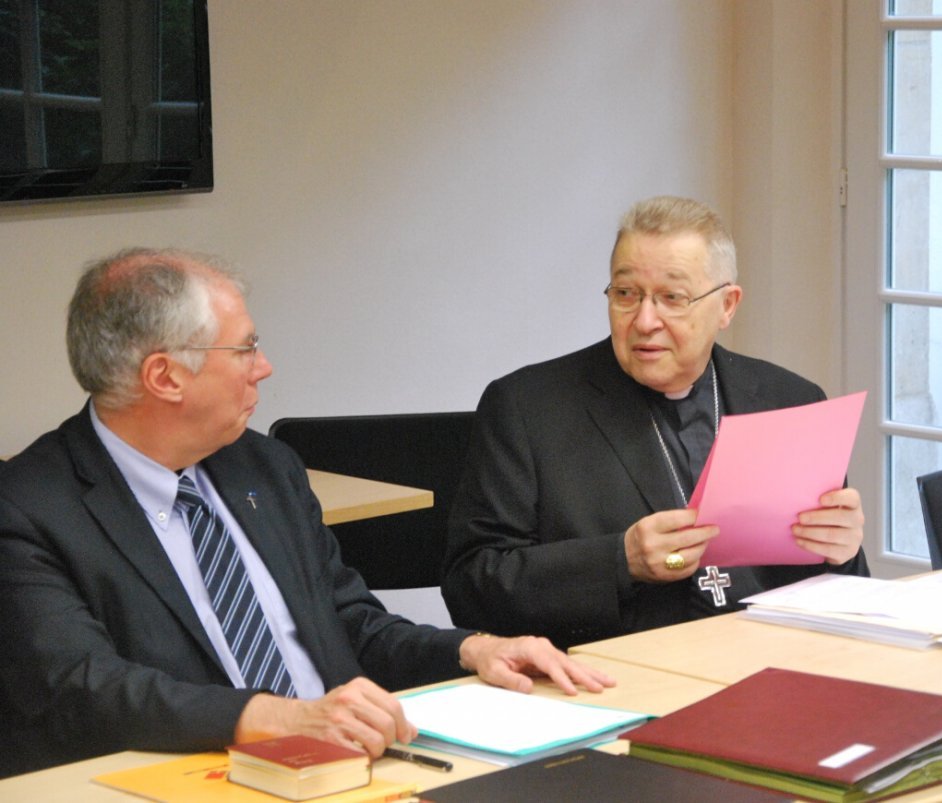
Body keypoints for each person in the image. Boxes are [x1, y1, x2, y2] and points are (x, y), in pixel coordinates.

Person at [0, 248, 613, 779]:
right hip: (194, 775)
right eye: (245, 348)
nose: (263, 367)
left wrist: (472, 650)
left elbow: (349, 626)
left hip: (356, 770)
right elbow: (83, 690)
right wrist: (281, 719)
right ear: (164, 377)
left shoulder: (264, 467)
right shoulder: (29, 508)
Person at [442, 195, 868, 649]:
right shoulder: (527, 409)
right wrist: (618, 561)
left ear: (727, 305)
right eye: (626, 294)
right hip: (610, 677)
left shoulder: (790, 401)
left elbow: (842, 589)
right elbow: (471, 588)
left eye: (672, 298)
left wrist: (841, 553)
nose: (645, 321)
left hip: (769, 665)